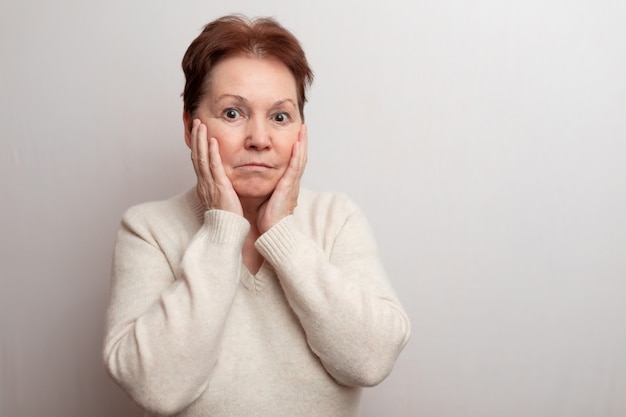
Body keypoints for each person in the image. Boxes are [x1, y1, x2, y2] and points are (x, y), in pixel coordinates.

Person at [103, 14, 410, 417]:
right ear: (189, 127)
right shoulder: (148, 230)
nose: (260, 140)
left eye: (280, 117)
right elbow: (156, 388)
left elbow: (371, 360)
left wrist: (282, 233)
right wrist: (222, 231)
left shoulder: (337, 218)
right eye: (233, 113)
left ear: (301, 130)